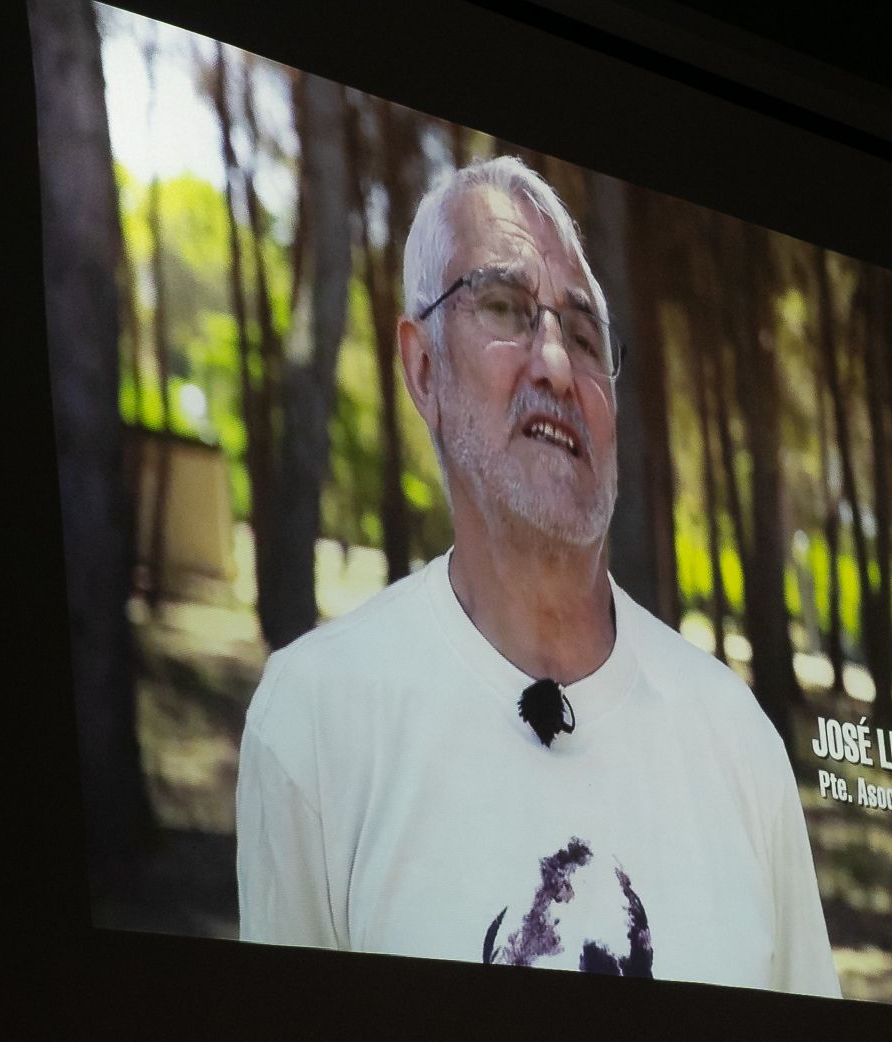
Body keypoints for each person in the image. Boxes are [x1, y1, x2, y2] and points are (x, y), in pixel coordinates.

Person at [236, 156, 839, 996]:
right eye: (505, 309)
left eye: (585, 335)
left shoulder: (739, 743)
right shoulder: (310, 723)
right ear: (421, 368)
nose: (556, 362)